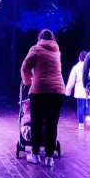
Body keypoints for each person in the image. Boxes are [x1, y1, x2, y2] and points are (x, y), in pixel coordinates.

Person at [20, 29, 66, 167]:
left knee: (37, 123)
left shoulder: (36, 49)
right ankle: (49, 158)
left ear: (39, 38)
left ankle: (35, 155)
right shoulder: (57, 50)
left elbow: (25, 67)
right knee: (52, 124)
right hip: (58, 91)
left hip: (39, 91)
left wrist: (28, 81)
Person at [65, 50, 90, 130]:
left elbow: (71, 80)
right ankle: (88, 115)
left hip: (79, 88)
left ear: (79, 58)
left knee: (80, 107)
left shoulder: (75, 68)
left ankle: (81, 124)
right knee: (89, 103)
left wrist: (68, 91)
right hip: (88, 88)